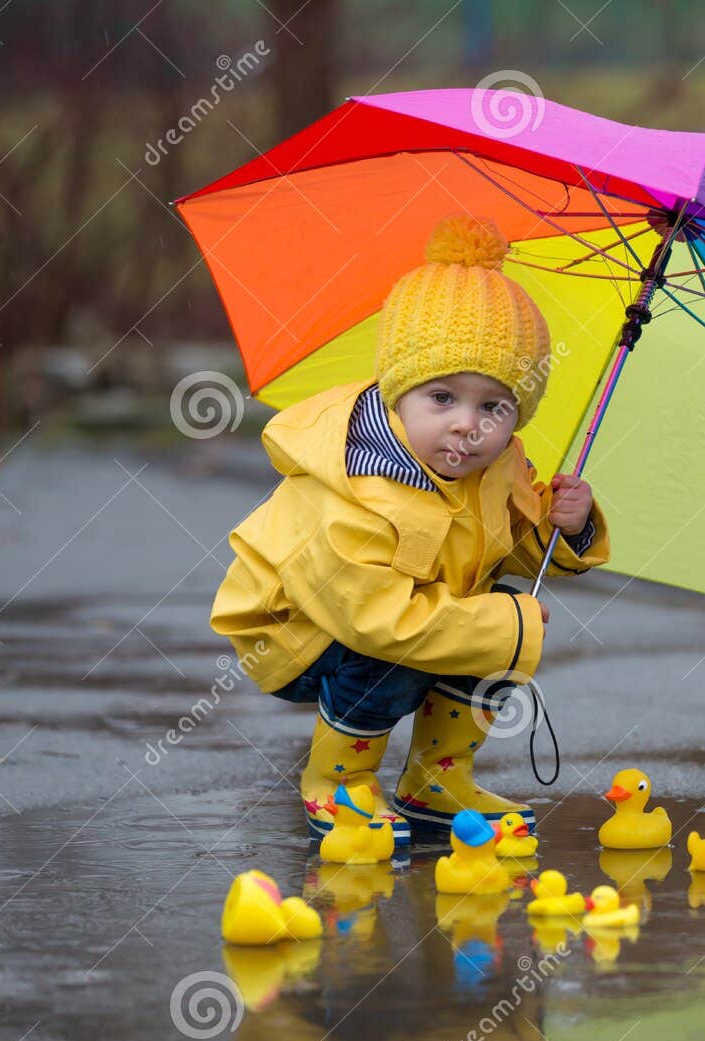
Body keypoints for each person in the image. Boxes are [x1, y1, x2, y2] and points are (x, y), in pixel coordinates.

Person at [209, 213, 610, 841]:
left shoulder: (498, 466)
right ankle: (339, 783)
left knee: (499, 616)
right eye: (442, 398)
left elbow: (515, 553)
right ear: (399, 392)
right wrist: (506, 628)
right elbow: (373, 616)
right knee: (427, 643)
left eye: (493, 406)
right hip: (299, 630)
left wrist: (571, 524)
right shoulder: (359, 484)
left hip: (401, 613)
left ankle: (434, 779)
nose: (466, 425)